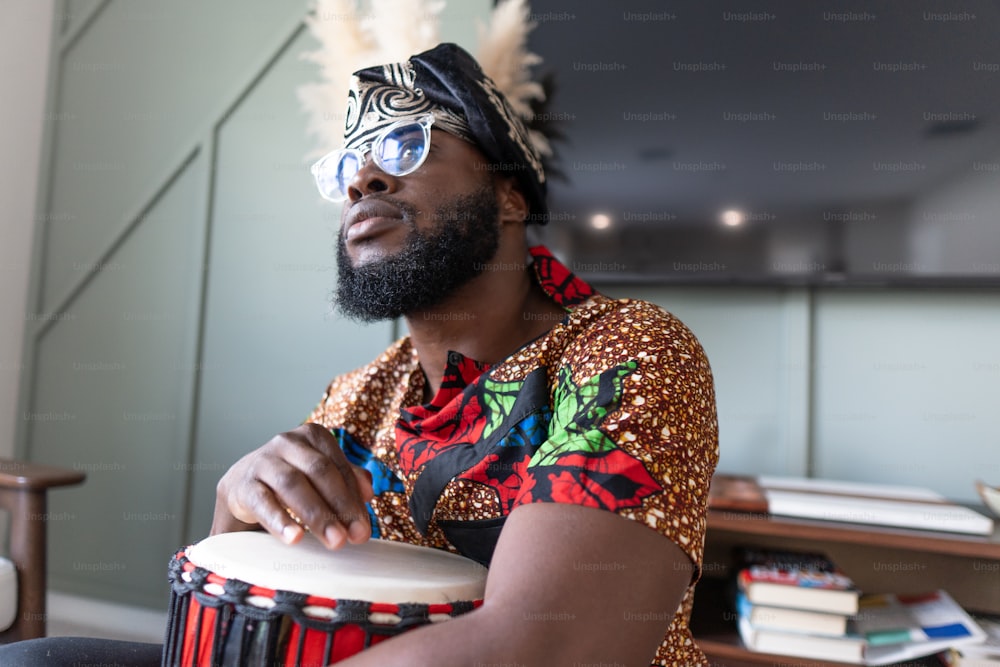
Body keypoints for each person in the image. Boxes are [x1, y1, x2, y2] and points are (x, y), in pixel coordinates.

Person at [0, 42, 718, 667]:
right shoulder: (358, 396)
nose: (360, 180)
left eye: (406, 145)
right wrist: (238, 503)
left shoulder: (629, 351)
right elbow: (250, 610)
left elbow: (543, 647)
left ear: (507, 195)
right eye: (346, 164)